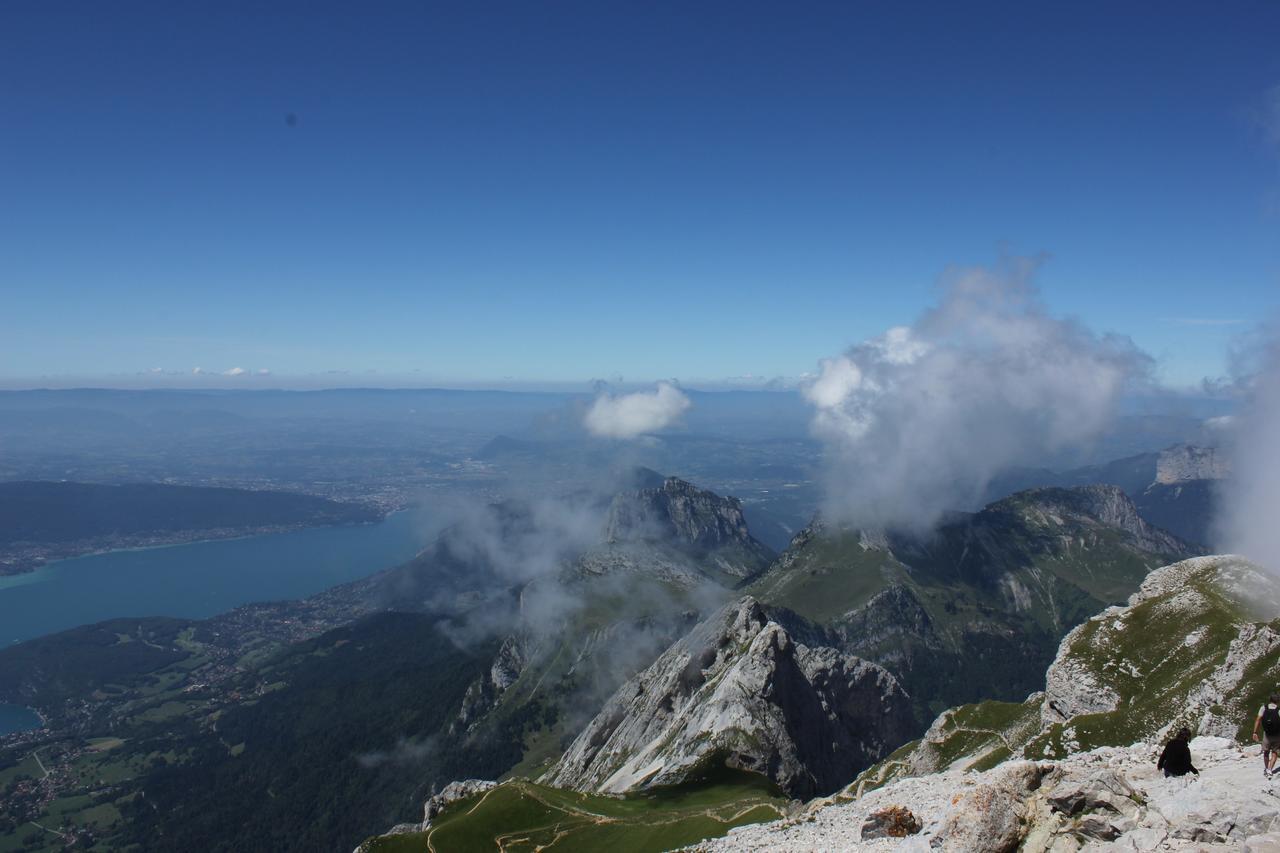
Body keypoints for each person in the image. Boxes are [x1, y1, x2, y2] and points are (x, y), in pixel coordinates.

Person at [1253, 694, 1280, 777]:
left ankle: (1266, 768)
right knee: (1275, 752)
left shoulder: (1263, 708)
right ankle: (1270, 769)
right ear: (1277, 701)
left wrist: (1255, 732)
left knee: (1266, 752)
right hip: (1277, 735)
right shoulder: (1279, 710)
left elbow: (1258, 719)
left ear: (1270, 700)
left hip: (1266, 734)